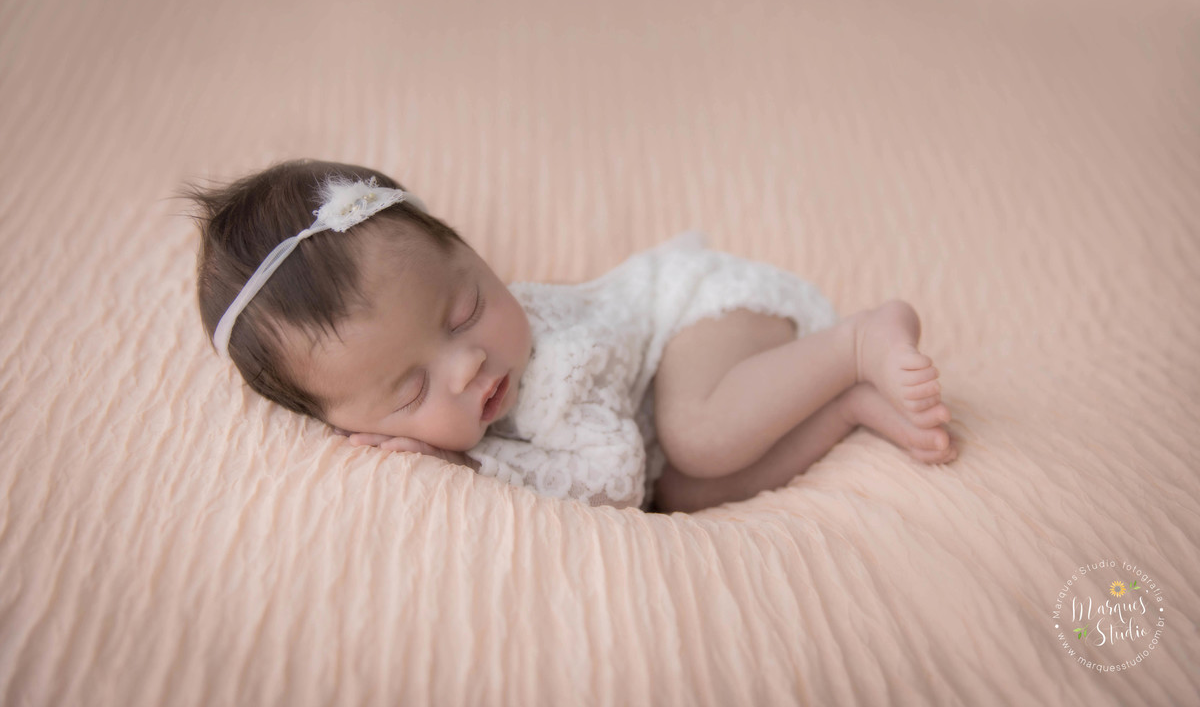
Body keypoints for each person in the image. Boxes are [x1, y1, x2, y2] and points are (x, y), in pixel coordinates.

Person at [182, 159, 955, 514]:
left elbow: (616, 478)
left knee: (698, 439)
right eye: (412, 390)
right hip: (651, 398)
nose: (468, 364)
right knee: (683, 493)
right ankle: (849, 404)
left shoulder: (551, 367)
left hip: (704, 307)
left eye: (464, 312)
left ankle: (859, 339)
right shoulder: (473, 366)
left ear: (473, 254)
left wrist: (477, 466)